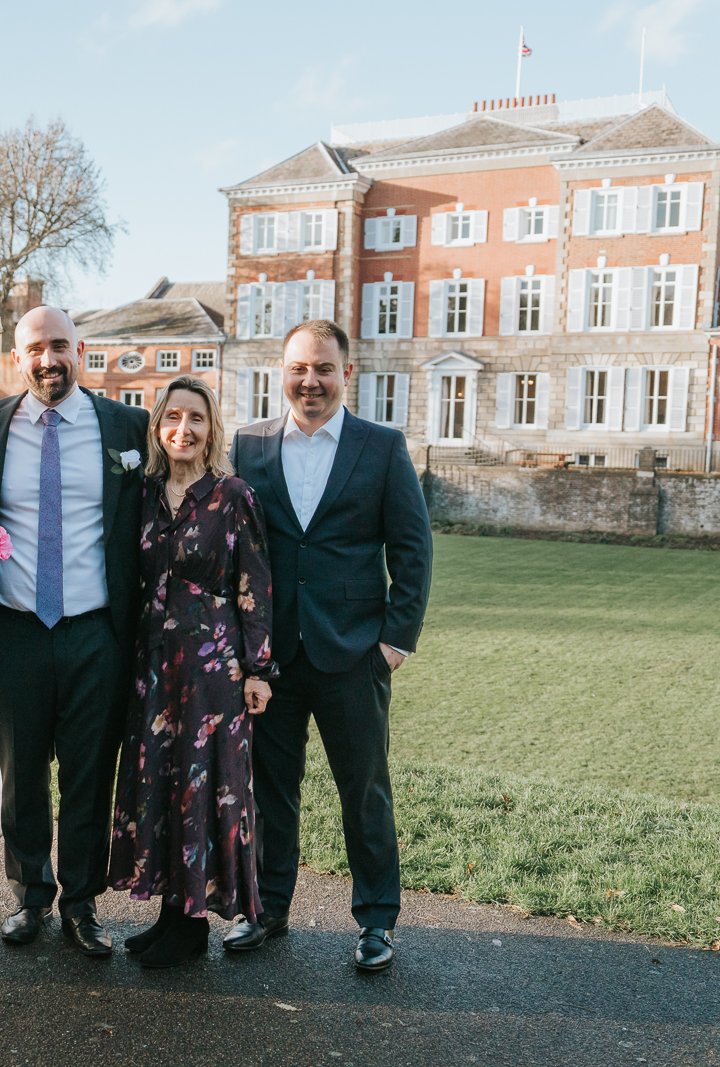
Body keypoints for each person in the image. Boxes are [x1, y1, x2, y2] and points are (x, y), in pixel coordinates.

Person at [227, 319, 432, 971]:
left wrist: (395, 642)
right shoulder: (250, 446)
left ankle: (377, 921)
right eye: (298, 368)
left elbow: (412, 547)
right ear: (280, 373)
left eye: (322, 368)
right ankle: (268, 909)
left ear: (347, 372)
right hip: (272, 657)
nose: (309, 380)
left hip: (354, 654)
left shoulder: (381, 446)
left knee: (365, 791)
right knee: (271, 790)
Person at [0, 305, 149, 957]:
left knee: (88, 771)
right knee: (20, 770)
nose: (49, 359)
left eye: (61, 346)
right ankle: (30, 894)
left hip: (95, 631)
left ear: (82, 349)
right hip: (13, 626)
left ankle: (81, 900)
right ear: (20, 357)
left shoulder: (127, 425)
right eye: (37, 348)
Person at [109, 376, 276, 968]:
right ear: (157, 427)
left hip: (211, 672)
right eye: (173, 418)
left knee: (200, 789)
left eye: (196, 419)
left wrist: (259, 670)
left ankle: (191, 926)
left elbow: (253, 584)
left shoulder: (232, 496)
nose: (184, 428)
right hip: (152, 667)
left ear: (212, 431)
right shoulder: (146, 494)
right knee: (160, 783)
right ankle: (166, 913)